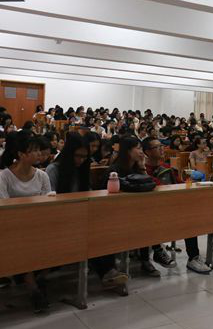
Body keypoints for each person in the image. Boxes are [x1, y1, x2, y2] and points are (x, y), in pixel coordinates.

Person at [46, 132, 129, 294]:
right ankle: (108, 273)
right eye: (77, 156)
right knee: (90, 233)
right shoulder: (53, 170)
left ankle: (109, 272)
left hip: (81, 216)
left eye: (85, 157)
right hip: (60, 219)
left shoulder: (82, 169)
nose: (81, 160)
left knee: (103, 228)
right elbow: (50, 199)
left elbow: (89, 194)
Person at [142, 137, 213, 270]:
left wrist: (191, 184)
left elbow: (179, 184)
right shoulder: (143, 170)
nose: (161, 149)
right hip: (157, 211)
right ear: (147, 152)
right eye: (157, 147)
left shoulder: (166, 167)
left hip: (175, 204)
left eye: (161, 146)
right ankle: (193, 257)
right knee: (189, 216)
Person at [106, 136, 176, 277]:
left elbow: (149, 184)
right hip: (118, 213)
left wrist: (142, 166)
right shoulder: (115, 169)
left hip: (137, 211)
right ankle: (154, 252)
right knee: (145, 218)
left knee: (148, 217)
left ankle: (148, 258)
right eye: (138, 148)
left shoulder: (137, 168)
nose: (141, 152)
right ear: (128, 151)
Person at [0, 130, 52, 313]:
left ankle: (38, 279)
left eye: (39, 150)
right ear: (21, 154)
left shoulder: (42, 176)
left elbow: (49, 202)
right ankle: (34, 289)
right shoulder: (4, 176)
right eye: (34, 150)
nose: (39, 154)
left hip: (39, 225)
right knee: (23, 243)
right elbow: (4, 207)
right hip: (13, 227)